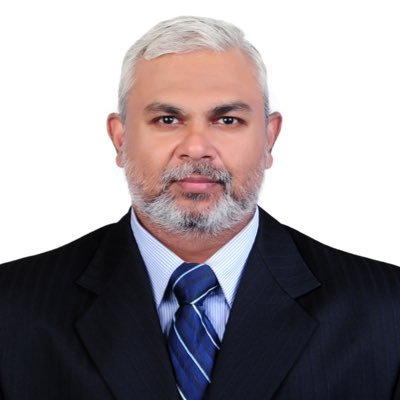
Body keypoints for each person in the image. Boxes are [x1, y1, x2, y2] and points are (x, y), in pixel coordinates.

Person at [0, 15, 399, 400]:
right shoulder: (13, 306)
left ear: (269, 138)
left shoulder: (386, 309)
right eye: (167, 119)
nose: (196, 148)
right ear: (120, 139)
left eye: (227, 120)